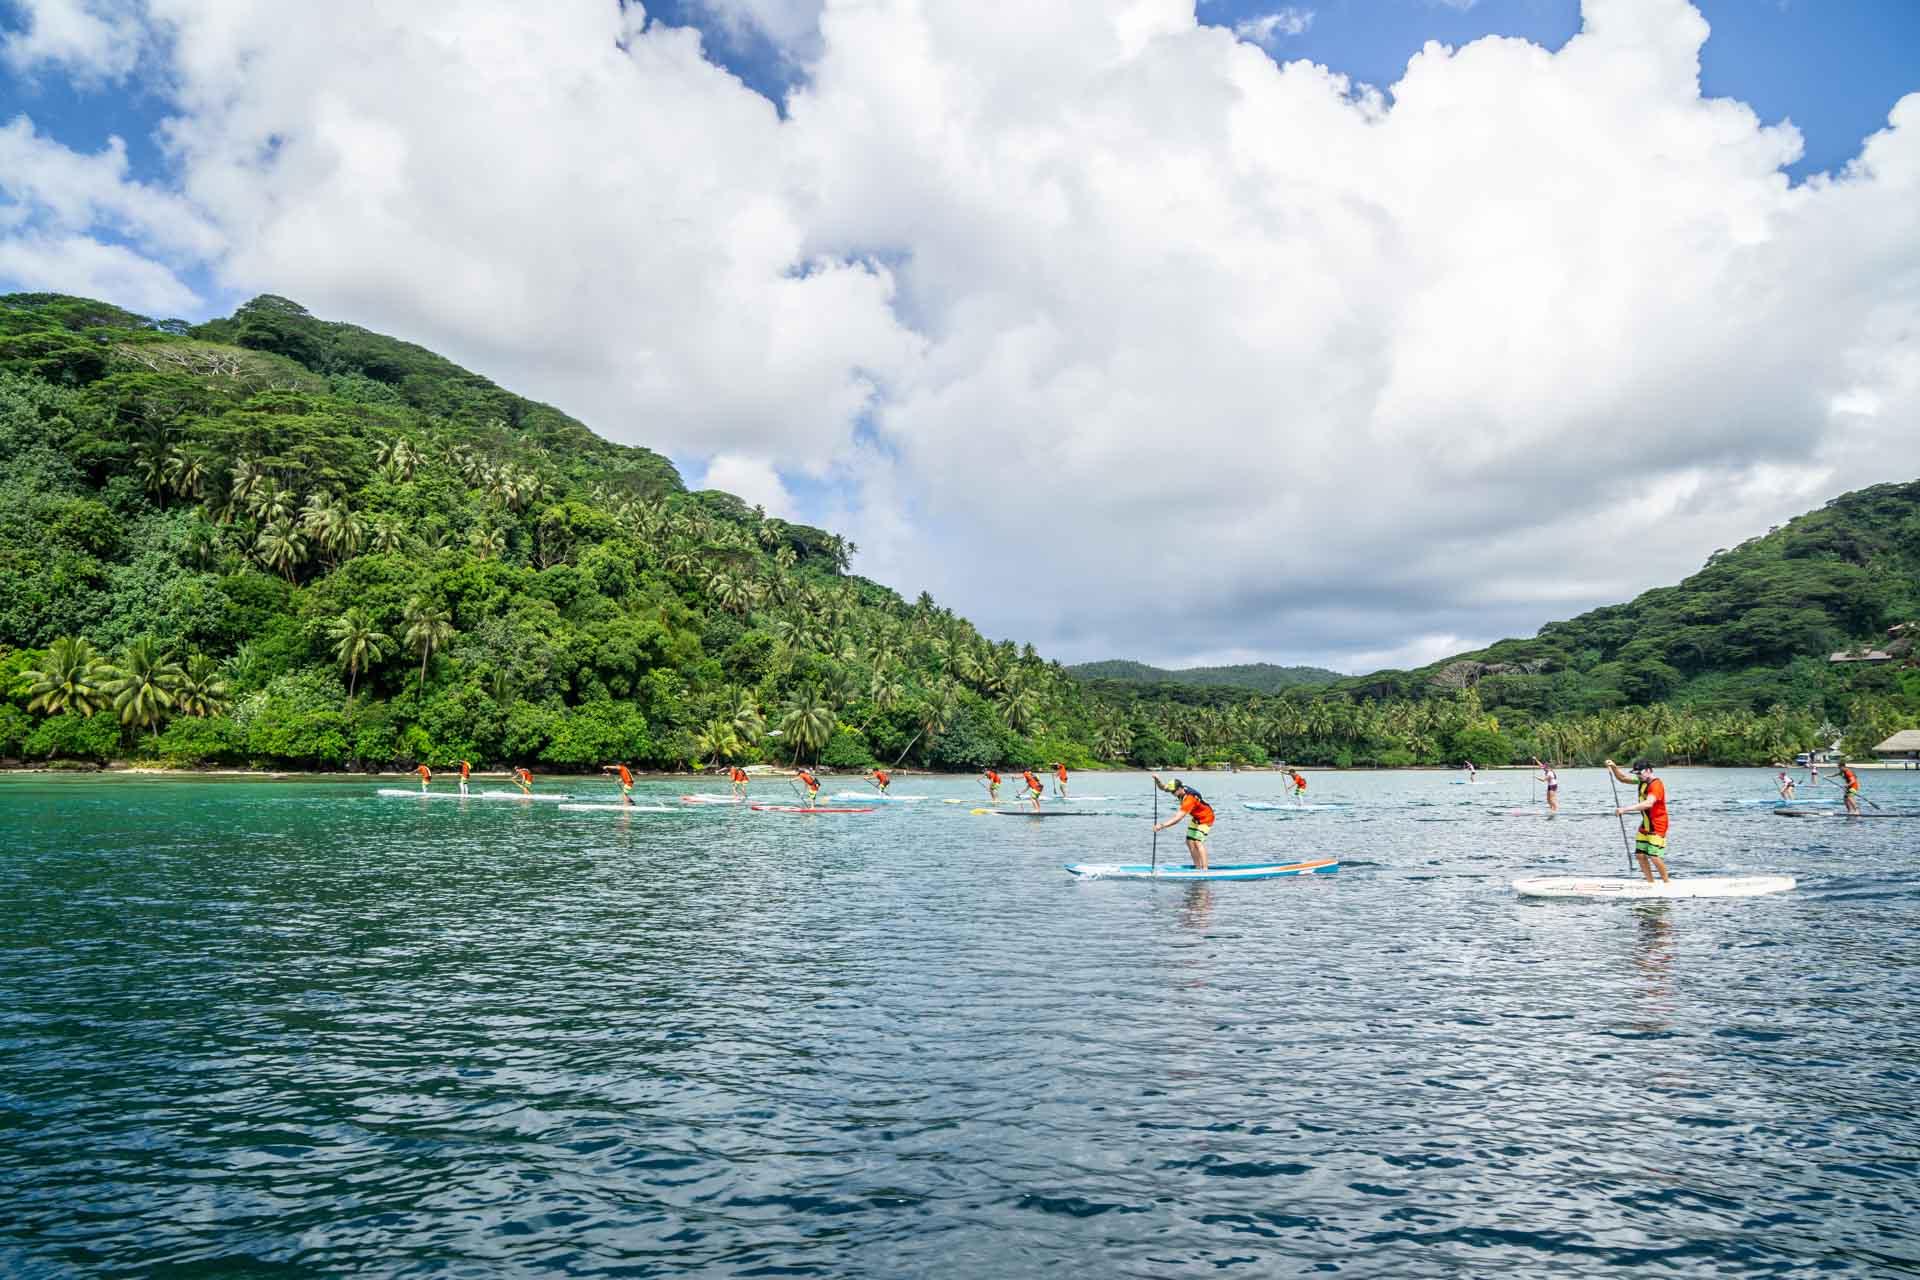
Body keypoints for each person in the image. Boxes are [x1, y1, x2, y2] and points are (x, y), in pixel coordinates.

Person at [1606, 758, 1669, 884]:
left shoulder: (1656, 785)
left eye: (1640, 773)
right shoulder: (1642, 780)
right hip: (1645, 823)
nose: (1638, 776)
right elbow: (1623, 778)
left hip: (1657, 824)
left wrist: (1625, 809)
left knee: (1654, 856)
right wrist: (1614, 766)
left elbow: (1649, 803)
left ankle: (1667, 883)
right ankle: (1650, 883)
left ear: (1649, 771)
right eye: (1636, 774)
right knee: (1640, 855)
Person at [1151, 774, 1217, 871]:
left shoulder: (1189, 799)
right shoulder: (1178, 788)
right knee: (1189, 841)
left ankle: (1205, 869)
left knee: (1198, 842)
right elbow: (1163, 788)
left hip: (1206, 818)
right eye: (1172, 791)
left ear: (1180, 788)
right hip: (1196, 818)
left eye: (1174, 792)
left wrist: (1162, 826)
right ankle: (1198, 867)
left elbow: (1178, 818)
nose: (1173, 793)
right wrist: (1157, 779)